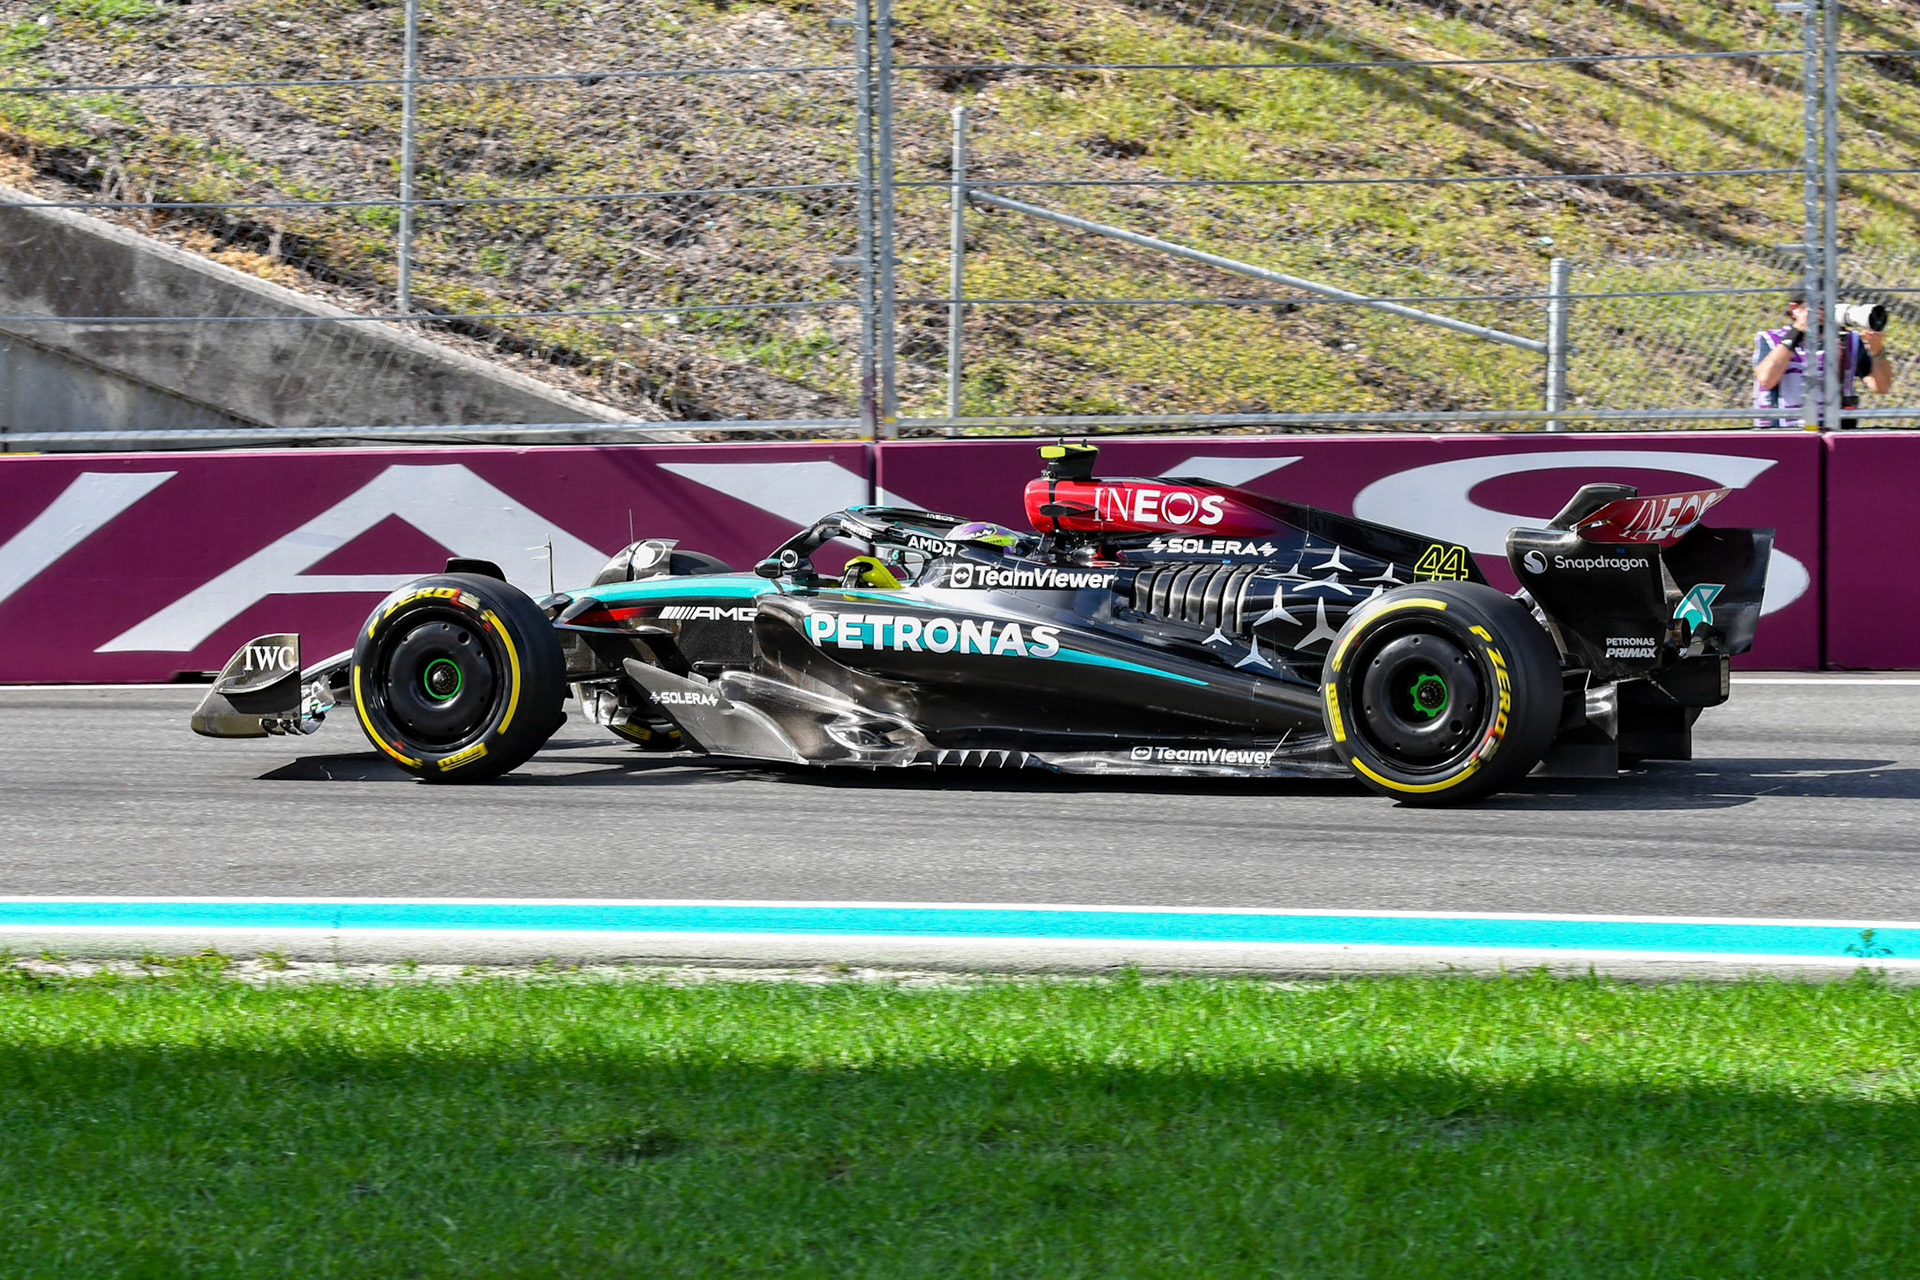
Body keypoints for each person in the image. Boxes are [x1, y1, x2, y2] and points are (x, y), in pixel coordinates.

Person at [1754, 287, 1892, 428]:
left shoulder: (1849, 340)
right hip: (1787, 431)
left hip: (1836, 429)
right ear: (1795, 309)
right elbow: (1766, 380)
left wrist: (1877, 351)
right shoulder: (1773, 339)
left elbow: (1881, 386)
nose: (1824, 312)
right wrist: (1797, 332)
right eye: (1819, 305)